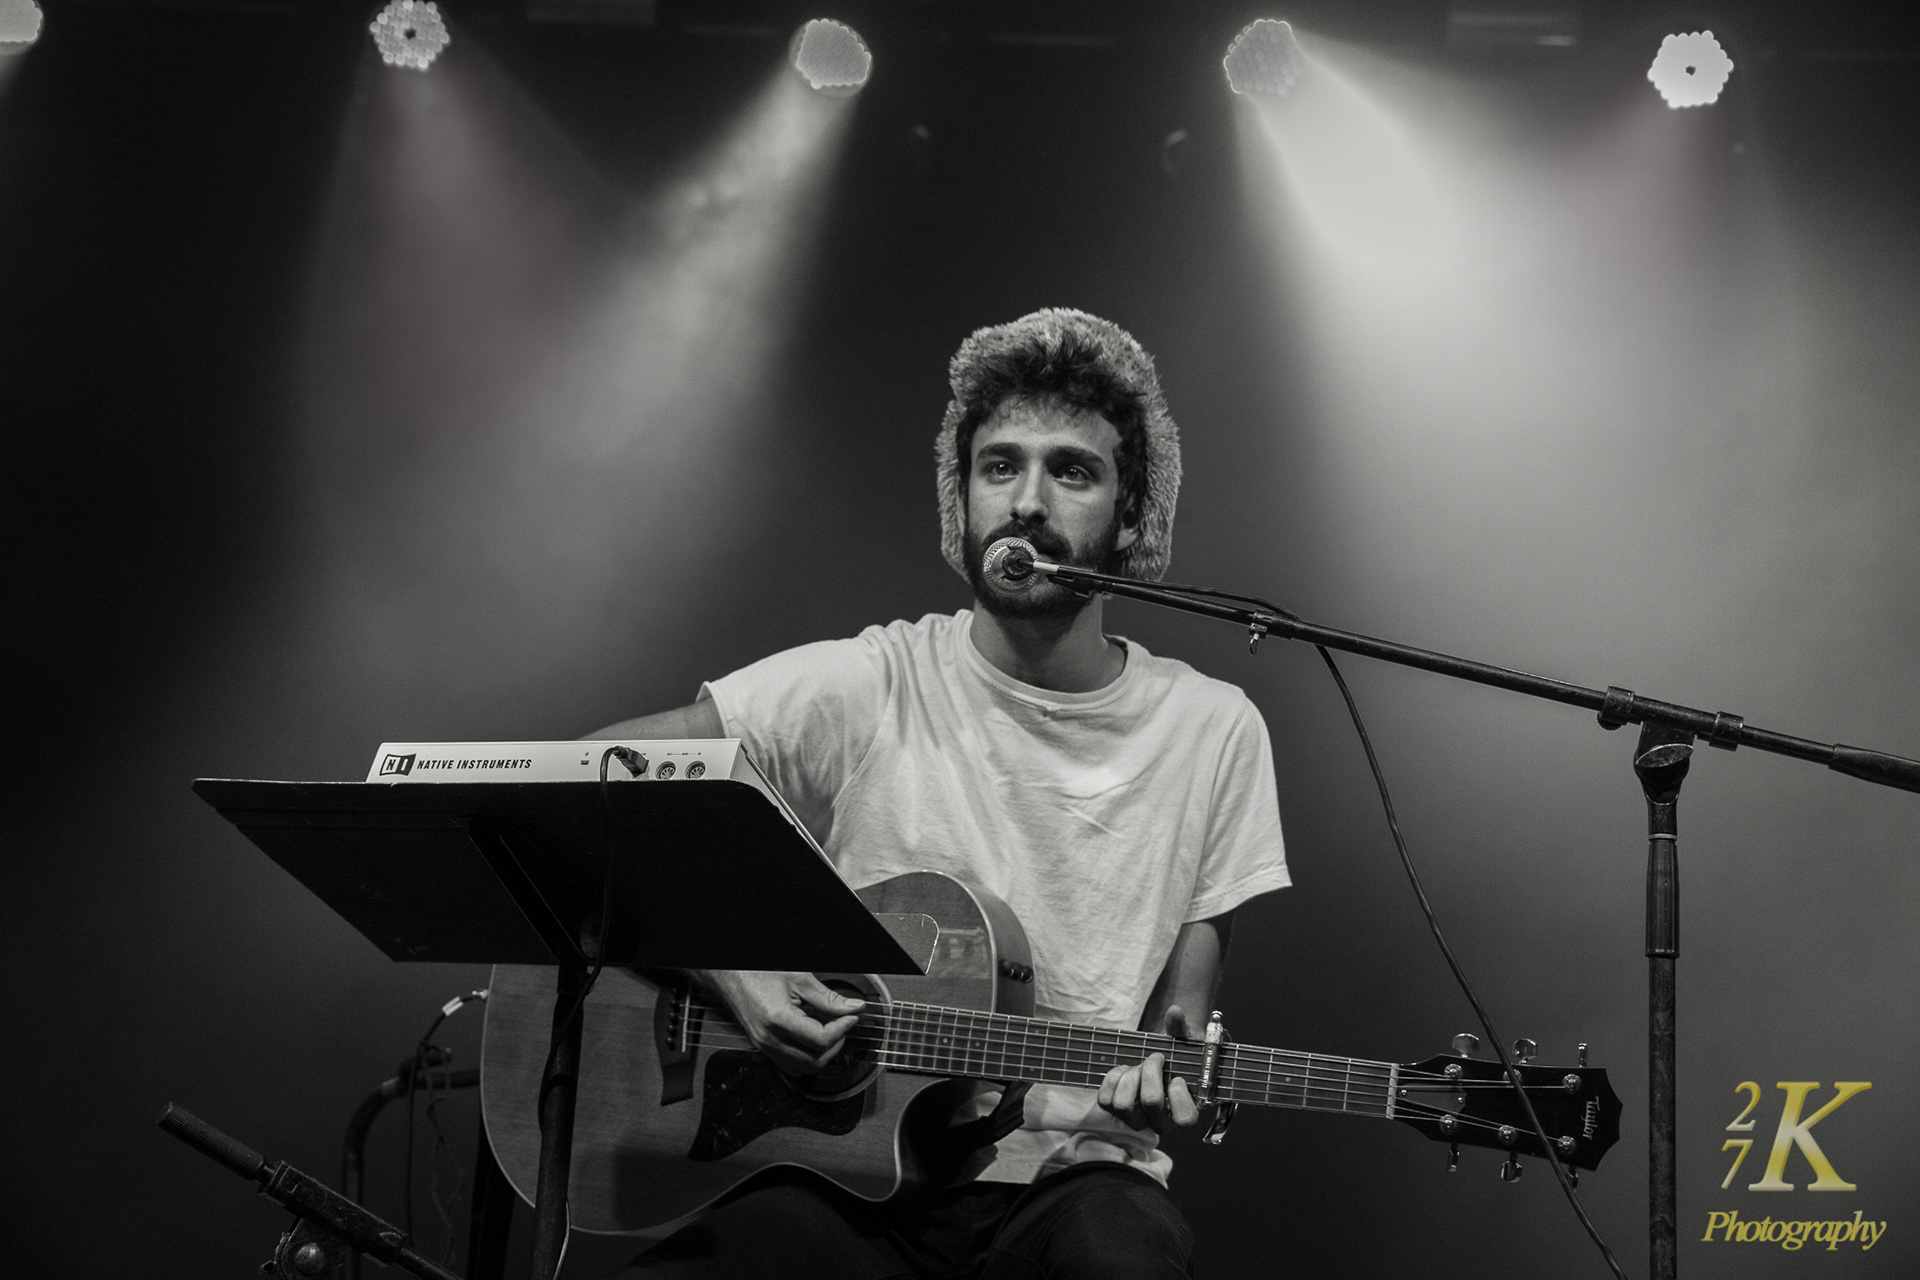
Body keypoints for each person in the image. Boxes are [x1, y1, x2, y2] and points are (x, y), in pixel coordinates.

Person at [593, 308, 1289, 1279]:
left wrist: (1169, 1082)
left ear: (1131, 515)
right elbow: (595, 773)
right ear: (962, 499)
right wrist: (738, 975)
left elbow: (1177, 1037)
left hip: (1074, 1179)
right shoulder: (868, 683)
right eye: (1000, 467)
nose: (1027, 502)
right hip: (838, 1169)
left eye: (1071, 471)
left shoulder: (1214, 729)